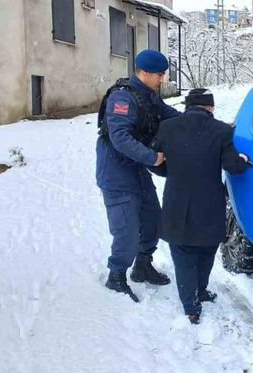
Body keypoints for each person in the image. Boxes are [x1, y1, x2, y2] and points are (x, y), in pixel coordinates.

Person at [151, 88, 251, 324]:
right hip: (209, 201)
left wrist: (171, 172)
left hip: (177, 200)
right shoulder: (222, 131)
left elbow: (152, 161)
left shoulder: (167, 128)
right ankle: (202, 290)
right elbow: (231, 165)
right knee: (206, 249)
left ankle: (190, 306)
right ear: (210, 108)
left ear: (188, 106)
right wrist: (244, 161)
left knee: (183, 252)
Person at [96, 49, 181, 302]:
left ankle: (142, 266)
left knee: (153, 219)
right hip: (116, 172)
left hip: (135, 170)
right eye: (159, 74)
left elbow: (171, 117)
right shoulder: (121, 98)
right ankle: (117, 275)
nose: (162, 79)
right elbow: (120, 137)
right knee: (127, 230)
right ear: (143, 72)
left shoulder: (148, 96)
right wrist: (151, 158)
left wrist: (203, 121)